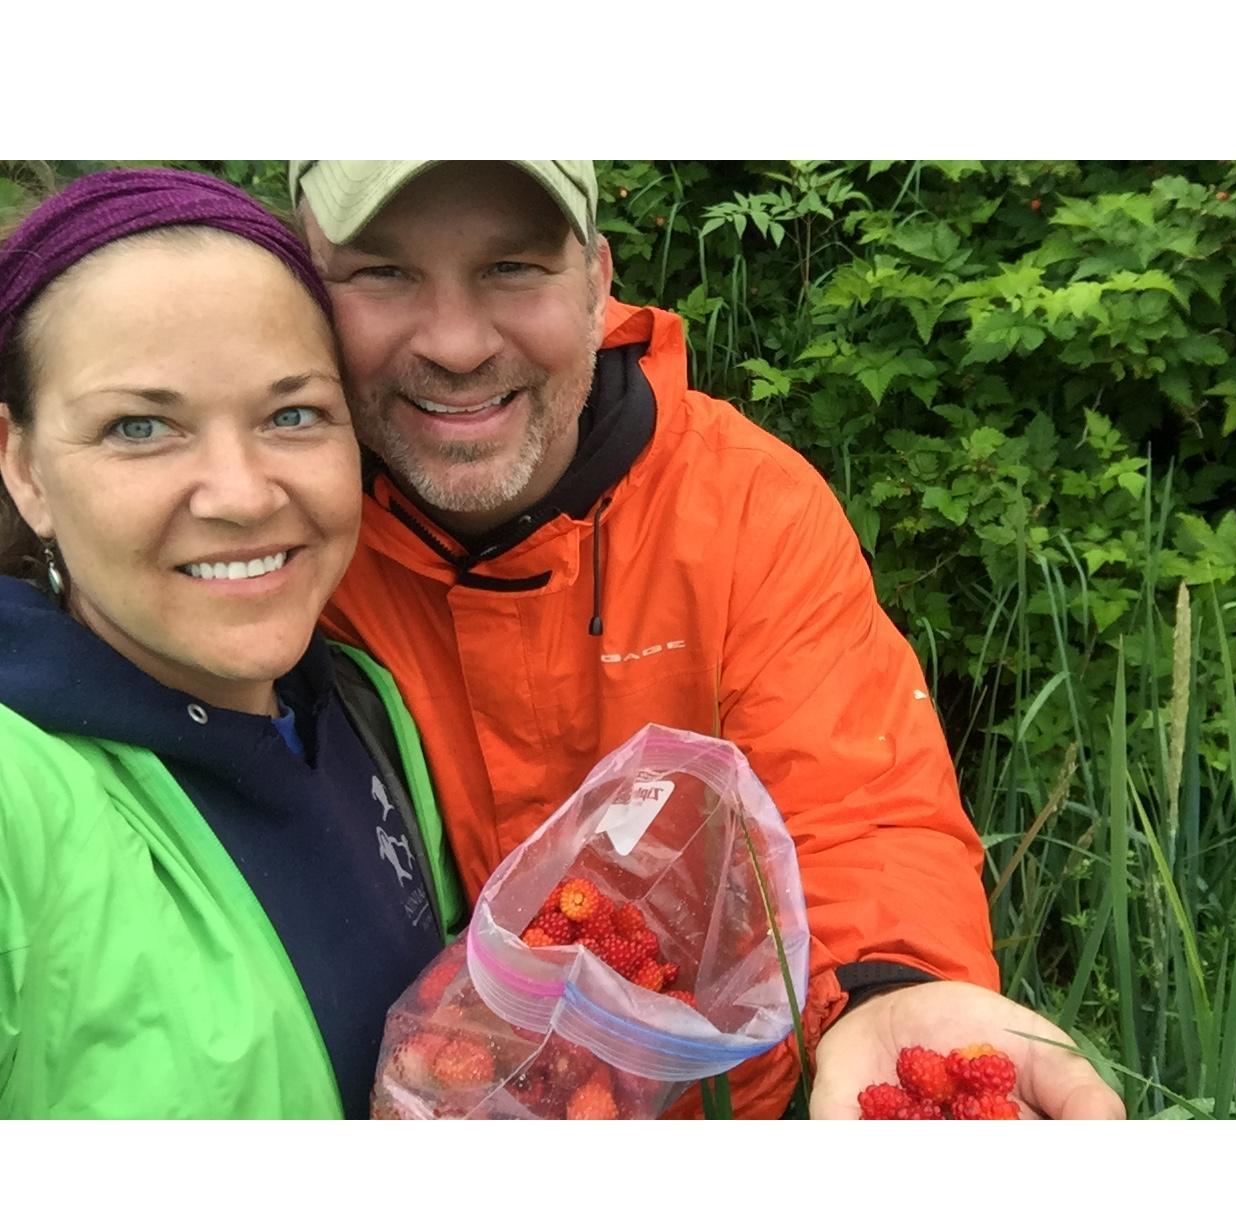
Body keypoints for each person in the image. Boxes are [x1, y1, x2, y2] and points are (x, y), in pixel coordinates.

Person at [291, 159, 1125, 1120]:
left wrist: (887, 991)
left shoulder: (745, 511)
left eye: (513, 267)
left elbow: (860, 806)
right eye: (383, 275)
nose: (456, 343)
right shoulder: (284, 538)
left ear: (600, 284)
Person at [0, 168, 462, 1119]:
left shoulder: (365, 708)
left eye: (293, 414)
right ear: (25, 469)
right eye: (140, 427)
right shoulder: (20, 800)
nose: (243, 494)